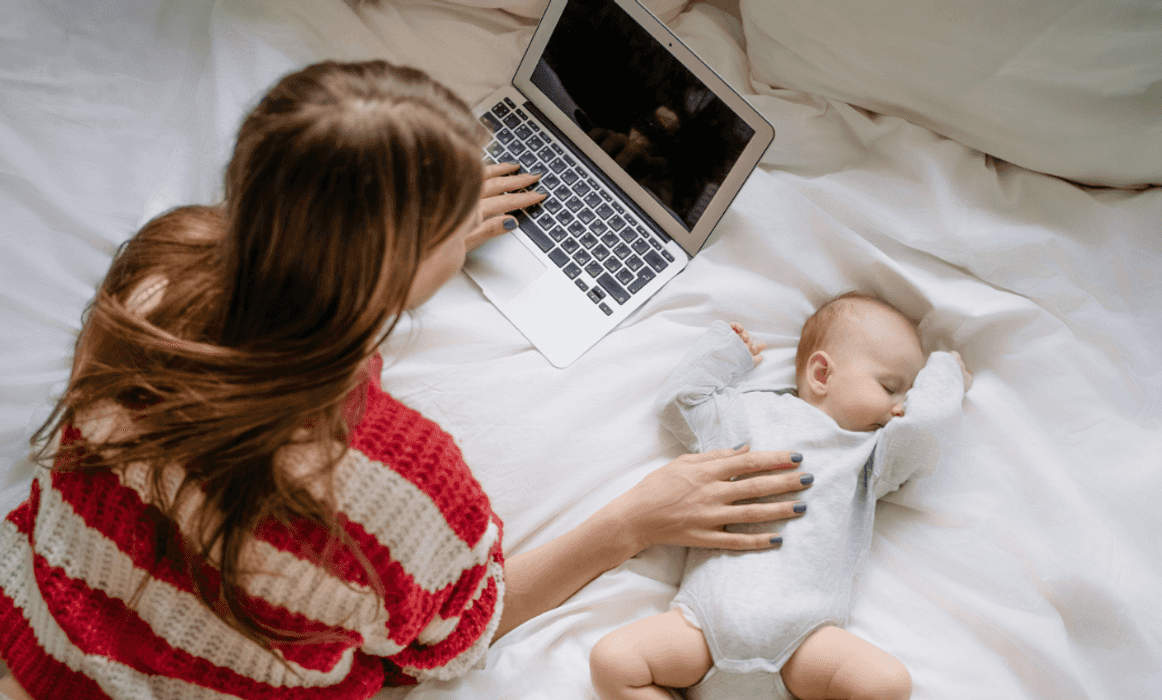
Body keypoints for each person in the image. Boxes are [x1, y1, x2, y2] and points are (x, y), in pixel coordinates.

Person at [0, 60, 812, 700]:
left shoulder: (158, 269)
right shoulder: (406, 489)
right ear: (399, 268)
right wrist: (634, 520)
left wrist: (394, 236)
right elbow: (449, 648)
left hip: (25, 628)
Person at [590, 293, 973, 700]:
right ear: (822, 374)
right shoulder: (747, 415)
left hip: (803, 644)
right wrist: (726, 352)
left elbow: (924, 428)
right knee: (612, 661)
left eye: (907, 396)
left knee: (888, 684)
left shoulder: (870, 455)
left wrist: (944, 375)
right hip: (703, 627)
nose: (900, 409)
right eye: (890, 387)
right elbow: (680, 402)